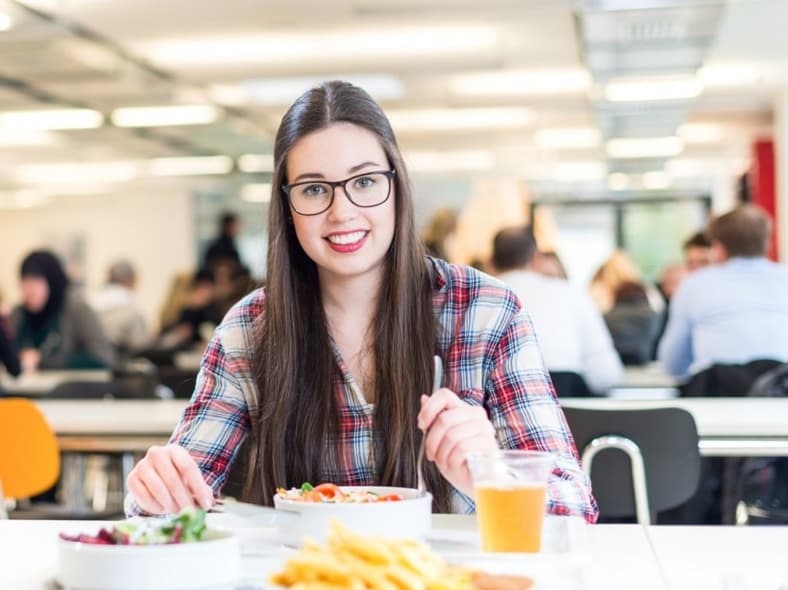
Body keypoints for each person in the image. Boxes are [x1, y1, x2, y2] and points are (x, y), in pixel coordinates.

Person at [125, 81, 597, 521]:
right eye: (313, 189)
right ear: (287, 210)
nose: (342, 212)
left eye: (365, 182)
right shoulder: (250, 329)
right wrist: (154, 492)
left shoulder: (487, 310)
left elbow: (574, 510)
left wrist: (493, 475)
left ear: (396, 188)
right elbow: (167, 509)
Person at [658, 205, 788, 377]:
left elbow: (674, 366)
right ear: (767, 242)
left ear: (718, 249)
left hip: (719, 396)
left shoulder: (693, 286)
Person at [492, 227, 623, 395]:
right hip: (569, 405)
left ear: (491, 261)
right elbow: (606, 374)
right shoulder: (569, 292)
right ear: (535, 258)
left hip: (498, 409)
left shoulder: (479, 298)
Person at [11, 250, 115, 371]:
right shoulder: (19, 314)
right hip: (23, 388)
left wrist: (42, 362)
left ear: (52, 281)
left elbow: (102, 358)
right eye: (25, 282)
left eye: (36, 282)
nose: (29, 291)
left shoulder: (76, 310)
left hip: (71, 388)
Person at [89, 260, 149, 355]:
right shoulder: (130, 307)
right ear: (130, 279)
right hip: (118, 363)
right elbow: (141, 345)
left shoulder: (92, 301)